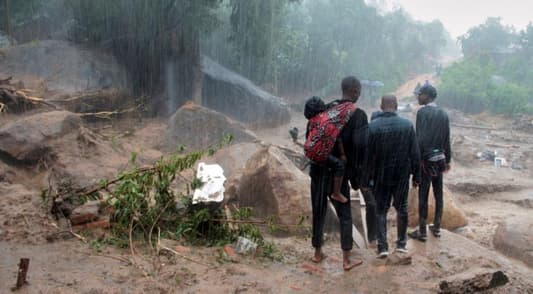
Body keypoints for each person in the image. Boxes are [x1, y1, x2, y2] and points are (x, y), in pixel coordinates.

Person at [309, 76, 365, 270]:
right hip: (337, 174)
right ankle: (346, 259)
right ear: (356, 90)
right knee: (345, 215)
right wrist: (357, 178)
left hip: (317, 168)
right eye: (359, 91)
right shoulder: (358, 114)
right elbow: (359, 149)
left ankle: (317, 253)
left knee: (318, 211)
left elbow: (314, 133)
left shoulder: (327, 108)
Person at [366, 95, 421, 258]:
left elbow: (367, 157)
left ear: (381, 106)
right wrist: (417, 176)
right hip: (401, 175)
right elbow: (415, 154)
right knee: (402, 208)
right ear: (396, 106)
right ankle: (401, 244)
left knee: (380, 210)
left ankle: (382, 247)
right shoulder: (407, 125)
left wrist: (365, 180)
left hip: (380, 176)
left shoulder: (373, 127)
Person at [409, 84, 451, 241]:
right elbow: (447, 139)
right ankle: (437, 227)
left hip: (425, 160)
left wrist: (416, 162)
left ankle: (422, 230)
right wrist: (448, 160)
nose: (418, 97)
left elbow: (420, 139)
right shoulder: (444, 114)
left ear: (427, 96)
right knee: (438, 193)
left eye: (420, 94)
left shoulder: (422, 113)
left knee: (423, 194)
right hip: (440, 159)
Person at [304, 96, 349, 203]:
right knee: (340, 166)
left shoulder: (311, 122)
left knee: (318, 206)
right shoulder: (327, 121)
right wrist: (342, 153)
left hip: (313, 160)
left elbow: (308, 139)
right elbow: (337, 138)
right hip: (325, 161)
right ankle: (336, 193)